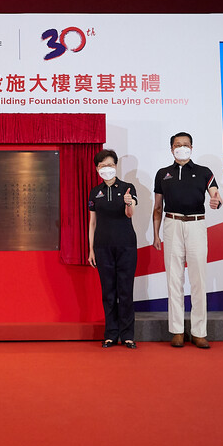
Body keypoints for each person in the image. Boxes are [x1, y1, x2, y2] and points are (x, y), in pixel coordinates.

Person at [152, 132, 222, 349]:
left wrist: (216, 200)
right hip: (171, 224)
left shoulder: (204, 172)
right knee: (174, 279)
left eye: (185, 144)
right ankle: (177, 331)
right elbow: (157, 207)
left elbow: (215, 195)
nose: (181, 147)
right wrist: (155, 234)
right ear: (171, 148)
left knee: (198, 278)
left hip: (196, 224)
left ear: (192, 147)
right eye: (177, 145)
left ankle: (199, 332)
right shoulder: (163, 174)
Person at [88, 149, 138, 349]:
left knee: (125, 291)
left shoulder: (128, 188)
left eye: (109, 165)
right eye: (102, 166)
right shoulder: (94, 191)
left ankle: (128, 335)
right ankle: (110, 334)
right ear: (97, 169)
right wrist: (91, 250)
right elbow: (92, 222)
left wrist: (129, 203)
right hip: (102, 246)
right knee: (108, 292)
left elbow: (130, 213)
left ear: (115, 166)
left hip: (126, 245)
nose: (106, 169)